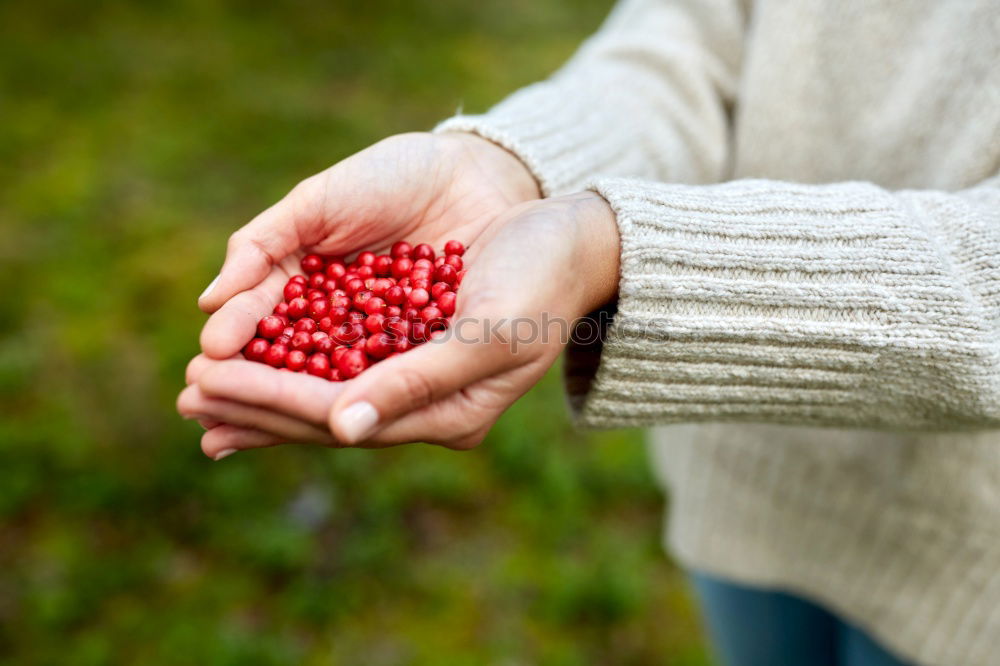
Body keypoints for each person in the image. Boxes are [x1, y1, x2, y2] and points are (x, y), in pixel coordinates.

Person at [177, 0, 1000, 664]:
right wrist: (513, 171)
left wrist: (609, 246)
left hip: (969, 562)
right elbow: (690, 43)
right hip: (748, 474)